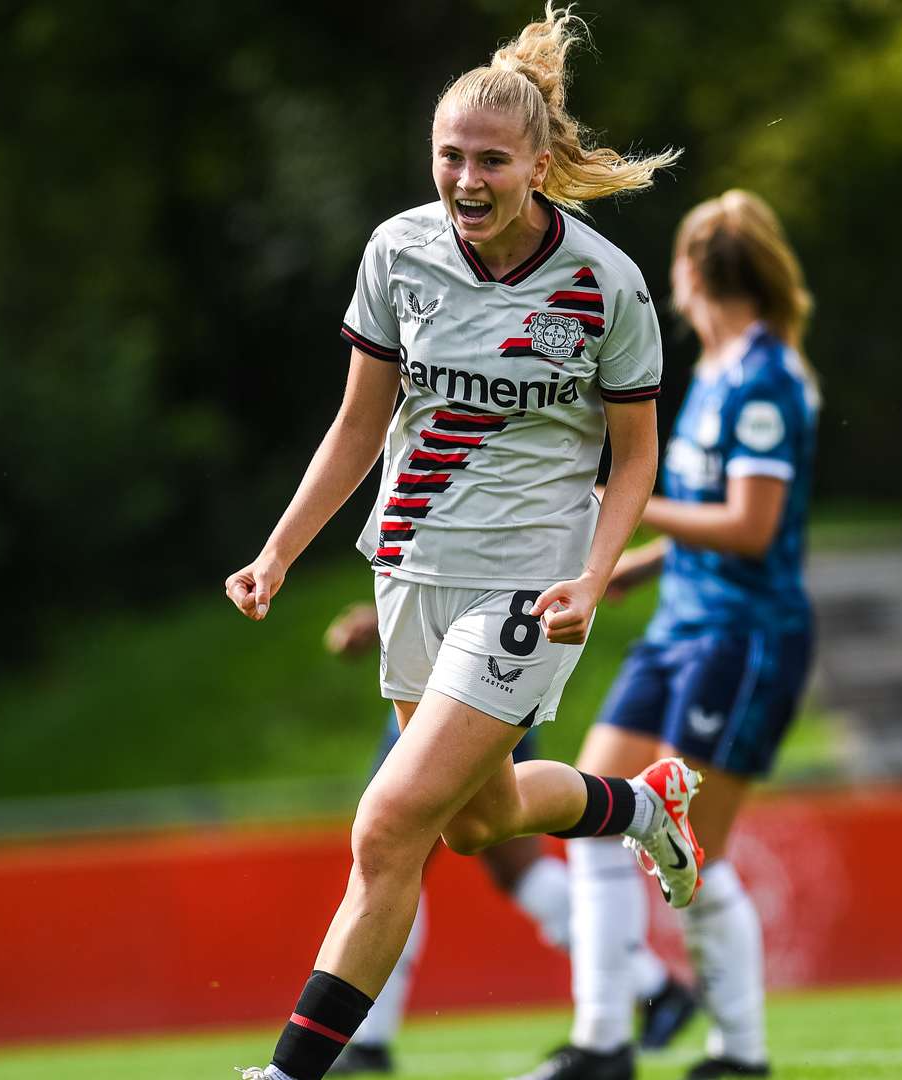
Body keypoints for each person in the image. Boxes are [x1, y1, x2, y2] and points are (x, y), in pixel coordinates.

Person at [225, 9, 701, 1080]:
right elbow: (357, 427)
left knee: (388, 824)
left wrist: (591, 576)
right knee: (476, 825)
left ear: (540, 165)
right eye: (450, 155)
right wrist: (281, 550)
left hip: (527, 589)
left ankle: (289, 1074)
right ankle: (641, 806)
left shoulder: (605, 286)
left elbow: (634, 459)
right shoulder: (397, 252)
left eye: (492, 159)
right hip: (411, 571)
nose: (467, 177)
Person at [515, 190, 818, 1080]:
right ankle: (604, 1041)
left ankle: (741, 1054)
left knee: (695, 846)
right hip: (683, 627)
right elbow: (689, 528)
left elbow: (750, 528)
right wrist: (603, 572)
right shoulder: (722, 370)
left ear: (690, 275)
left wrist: (636, 504)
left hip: (743, 637)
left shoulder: (765, 379)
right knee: (598, 815)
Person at [316, 606, 698, 1075]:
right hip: (480, 664)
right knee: (505, 854)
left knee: (395, 849)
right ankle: (654, 984)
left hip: (468, 672)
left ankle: (367, 1040)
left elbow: (457, 550)